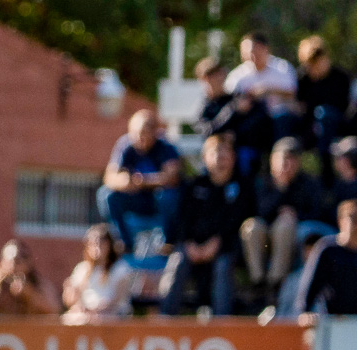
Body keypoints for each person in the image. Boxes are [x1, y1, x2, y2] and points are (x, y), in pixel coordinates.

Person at [162, 134, 251, 317]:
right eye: (215, 154)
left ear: (233, 158)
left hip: (226, 248)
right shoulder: (195, 186)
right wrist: (188, 244)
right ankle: (165, 318)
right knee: (177, 261)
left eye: (225, 154)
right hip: (193, 246)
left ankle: (222, 323)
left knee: (223, 265)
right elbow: (182, 220)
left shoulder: (243, 188)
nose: (220, 160)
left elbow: (239, 223)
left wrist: (217, 244)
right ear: (205, 158)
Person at [241, 138, 322, 302]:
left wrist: (294, 214)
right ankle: (258, 282)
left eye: (292, 159)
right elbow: (256, 211)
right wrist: (281, 188)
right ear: (272, 159)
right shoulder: (261, 182)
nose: (287, 163)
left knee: (285, 224)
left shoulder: (308, 183)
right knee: (252, 226)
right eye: (283, 158)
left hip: (292, 239)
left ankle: (275, 284)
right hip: (263, 237)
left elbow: (317, 213)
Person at [96, 111, 182, 250]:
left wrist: (142, 181)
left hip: (157, 202)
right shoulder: (125, 146)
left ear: (154, 132)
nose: (138, 137)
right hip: (136, 199)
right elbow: (109, 178)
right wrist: (125, 182)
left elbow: (171, 177)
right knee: (106, 195)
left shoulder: (166, 147)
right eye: (134, 132)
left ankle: (168, 242)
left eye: (143, 132)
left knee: (168, 195)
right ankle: (124, 243)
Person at [226, 31, 298, 142]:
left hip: (281, 118)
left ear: (266, 49)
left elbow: (292, 92)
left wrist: (268, 90)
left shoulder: (282, 68)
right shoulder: (237, 76)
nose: (252, 56)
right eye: (248, 52)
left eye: (255, 51)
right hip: (253, 120)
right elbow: (230, 99)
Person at [295, 36, 352, 176]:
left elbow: (346, 108)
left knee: (324, 114)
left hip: (336, 124)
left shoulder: (341, 77)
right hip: (310, 127)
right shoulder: (302, 80)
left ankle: (327, 169)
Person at [295, 199, 357, 317]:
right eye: (353, 218)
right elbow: (308, 291)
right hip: (335, 321)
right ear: (341, 221)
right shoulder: (328, 250)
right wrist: (305, 313)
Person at [62, 224, 133, 319]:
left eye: (101, 243)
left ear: (110, 245)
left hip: (112, 315)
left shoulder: (121, 268)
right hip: (86, 315)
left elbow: (117, 300)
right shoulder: (82, 269)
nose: (97, 247)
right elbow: (70, 300)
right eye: (93, 243)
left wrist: (98, 310)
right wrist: (70, 292)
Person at [0, 239, 59, 316]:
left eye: (19, 261)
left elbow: (54, 310)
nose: (13, 266)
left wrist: (29, 293)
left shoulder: (39, 283)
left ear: (28, 263)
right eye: (10, 261)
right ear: (2, 262)